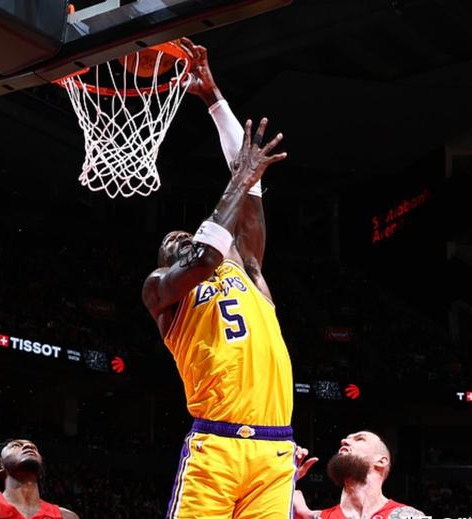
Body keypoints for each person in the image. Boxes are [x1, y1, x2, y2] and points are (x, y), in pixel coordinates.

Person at [142, 38, 295, 518]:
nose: (179, 235)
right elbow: (207, 254)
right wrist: (240, 181)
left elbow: (249, 184)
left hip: (276, 450)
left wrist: (212, 98)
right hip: (217, 446)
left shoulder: (247, 269)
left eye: (184, 232)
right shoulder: (161, 291)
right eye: (171, 240)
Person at [293, 431, 426, 519]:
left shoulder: (407, 515)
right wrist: (288, 478)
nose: (343, 441)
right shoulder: (316, 516)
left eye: (360, 439)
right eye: (346, 439)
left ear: (381, 461)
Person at [0, 439, 79, 519]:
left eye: (33, 447)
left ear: (40, 471)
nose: (28, 446)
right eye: (16, 445)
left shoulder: (67, 517)